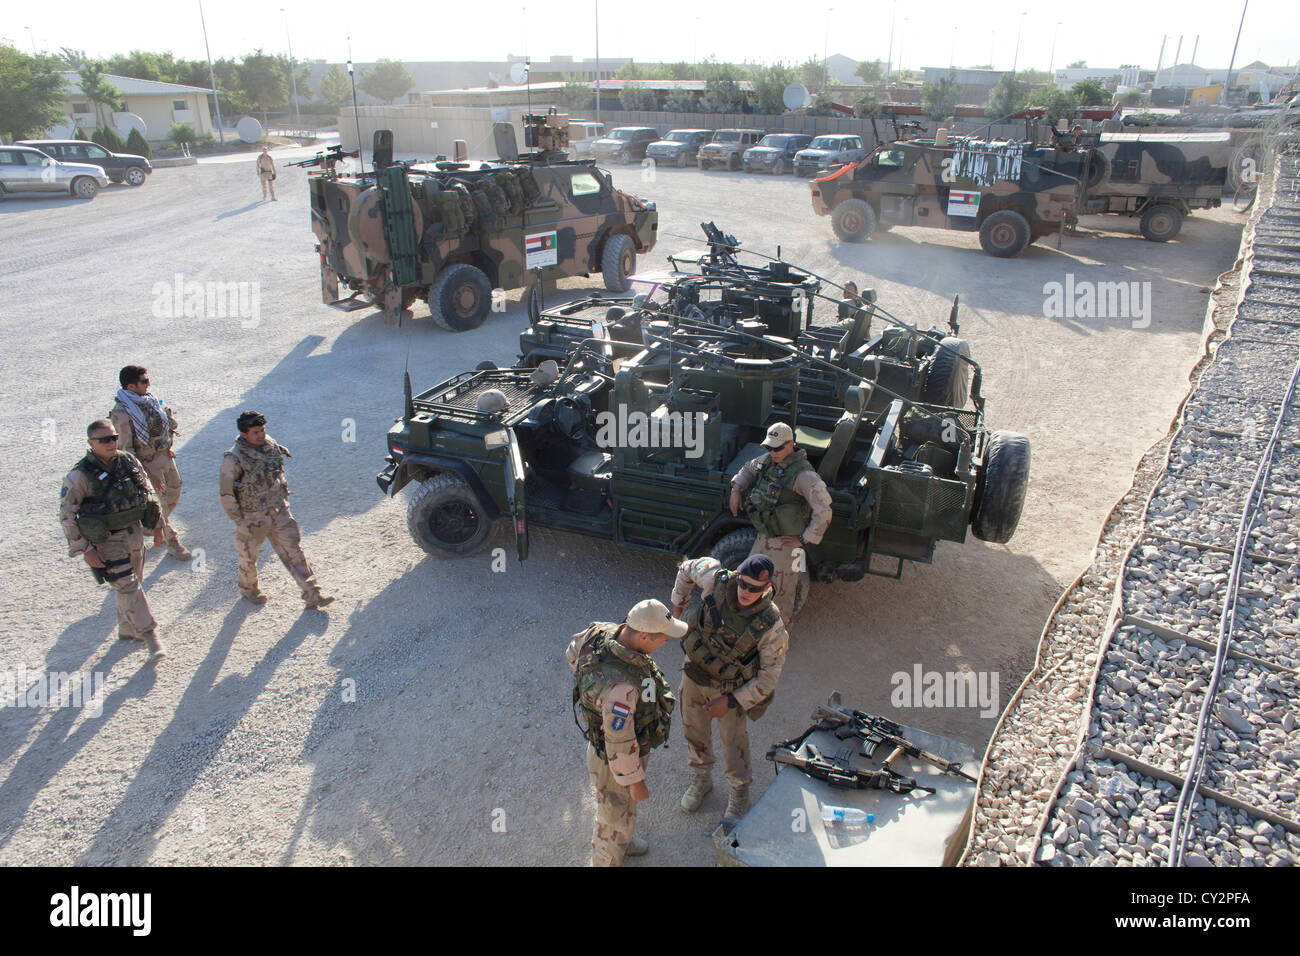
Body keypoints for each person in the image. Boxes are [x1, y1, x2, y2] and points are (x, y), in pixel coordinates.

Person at [671, 553, 789, 820]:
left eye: (755, 588)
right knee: (693, 730)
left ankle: (739, 791)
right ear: (737, 576)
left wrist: (733, 700)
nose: (746, 592)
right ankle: (702, 779)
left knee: (733, 742)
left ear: (767, 587)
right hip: (694, 673)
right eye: (743, 584)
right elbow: (687, 568)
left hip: (729, 689)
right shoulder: (716, 579)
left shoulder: (771, 625)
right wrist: (678, 606)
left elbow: (769, 677)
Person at [567, 598, 684, 866]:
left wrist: (592, 691)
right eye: (662, 638)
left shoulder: (603, 631)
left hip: (616, 744)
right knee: (612, 815)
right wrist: (635, 782)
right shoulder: (621, 690)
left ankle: (626, 839)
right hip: (615, 759)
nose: (665, 643)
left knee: (621, 808)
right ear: (644, 635)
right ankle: (607, 858)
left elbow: (572, 653)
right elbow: (620, 743)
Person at [60, 420, 168, 663]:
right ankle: (150, 634)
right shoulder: (79, 476)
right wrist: (85, 549)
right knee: (128, 584)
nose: (111, 443)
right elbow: (67, 515)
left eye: (113, 438)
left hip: (133, 532)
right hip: (106, 539)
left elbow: (148, 492)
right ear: (91, 443)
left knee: (132, 582)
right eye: (104, 440)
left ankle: (127, 628)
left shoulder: (128, 461)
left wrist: (158, 525)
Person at [219, 411, 334, 608]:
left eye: (262, 430)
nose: (261, 435)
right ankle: (249, 590)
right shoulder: (233, 460)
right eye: (255, 432)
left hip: (278, 510)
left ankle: (312, 593)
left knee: (294, 551)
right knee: (248, 557)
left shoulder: (269, 445)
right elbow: (226, 495)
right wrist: (240, 522)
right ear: (244, 434)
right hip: (253, 517)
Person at [728, 421, 833, 622]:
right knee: (749, 579)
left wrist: (804, 539)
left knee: (783, 593)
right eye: (769, 447)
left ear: (791, 444)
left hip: (789, 544)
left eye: (778, 448)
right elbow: (748, 469)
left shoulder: (804, 475)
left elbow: (824, 511)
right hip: (765, 537)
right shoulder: (768, 461)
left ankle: (777, 637)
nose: (773, 452)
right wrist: (736, 489)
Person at [110, 365, 191, 561]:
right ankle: (172, 542)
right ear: (131, 386)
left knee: (175, 490)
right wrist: (146, 475)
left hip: (164, 456)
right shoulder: (122, 413)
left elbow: (164, 426)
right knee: (160, 503)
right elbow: (126, 451)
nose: (149, 384)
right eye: (144, 381)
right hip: (148, 463)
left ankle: (156, 525)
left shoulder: (150, 401)